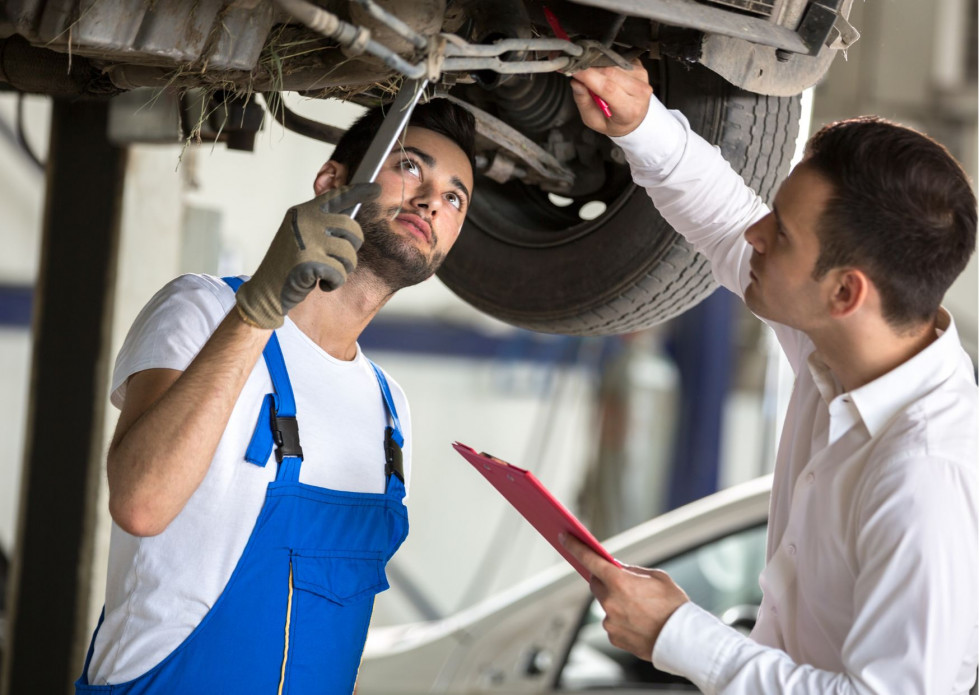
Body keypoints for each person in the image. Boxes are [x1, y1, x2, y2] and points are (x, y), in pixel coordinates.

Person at [560, 62, 978, 692]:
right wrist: (643, 123)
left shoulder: (924, 474)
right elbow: (728, 223)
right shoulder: (840, 345)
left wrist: (680, 636)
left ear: (845, 292)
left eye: (779, 234)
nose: (756, 233)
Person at [75, 99, 476, 694]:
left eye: (454, 198)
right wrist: (260, 309)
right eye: (411, 166)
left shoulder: (390, 413)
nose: (430, 202)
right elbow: (141, 502)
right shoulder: (203, 309)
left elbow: (335, 633)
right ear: (332, 182)